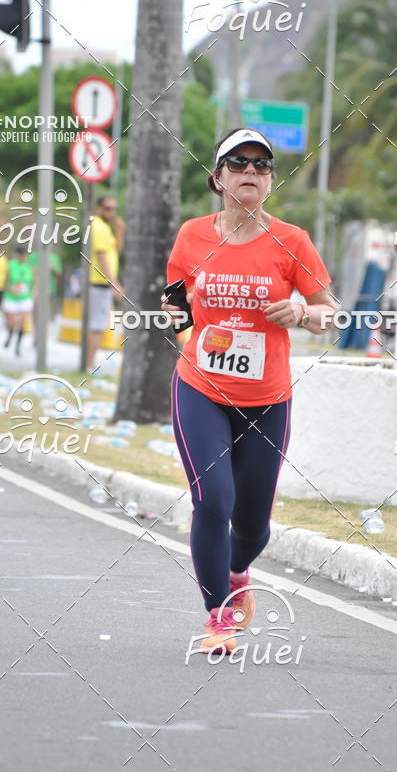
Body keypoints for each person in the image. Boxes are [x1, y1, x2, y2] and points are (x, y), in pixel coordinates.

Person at [162, 127, 338, 653]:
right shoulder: (193, 235)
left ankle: (239, 571)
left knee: (254, 522)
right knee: (212, 499)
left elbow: (331, 312)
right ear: (217, 179)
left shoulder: (293, 241)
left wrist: (305, 312)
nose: (250, 173)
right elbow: (176, 300)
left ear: (270, 182)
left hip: (267, 397)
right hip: (201, 388)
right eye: (238, 164)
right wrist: (185, 330)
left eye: (261, 166)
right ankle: (217, 617)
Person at [86, 195, 124, 372]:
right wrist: (114, 283)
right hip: (99, 283)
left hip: (103, 283)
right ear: (99, 208)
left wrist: (120, 232)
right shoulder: (98, 227)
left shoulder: (106, 228)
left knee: (99, 324)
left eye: (114, 209)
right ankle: (89, 365)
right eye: (108, 208)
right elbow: (102, 257)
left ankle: (90, 363)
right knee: (97, 325)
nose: (112, 212)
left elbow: (115, 252)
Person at [2, 245, 35, 356]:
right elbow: (5, 283)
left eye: (24, 255)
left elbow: (34, 283)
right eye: (20, 254)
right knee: (11, 323)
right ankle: (10, 336)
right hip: (11, 297)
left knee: (22, 322)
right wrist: (12, 289)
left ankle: (18, 346)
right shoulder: (10, 265)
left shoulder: (30, 267)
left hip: (24, 298)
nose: (22, 256)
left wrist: (34, 292)